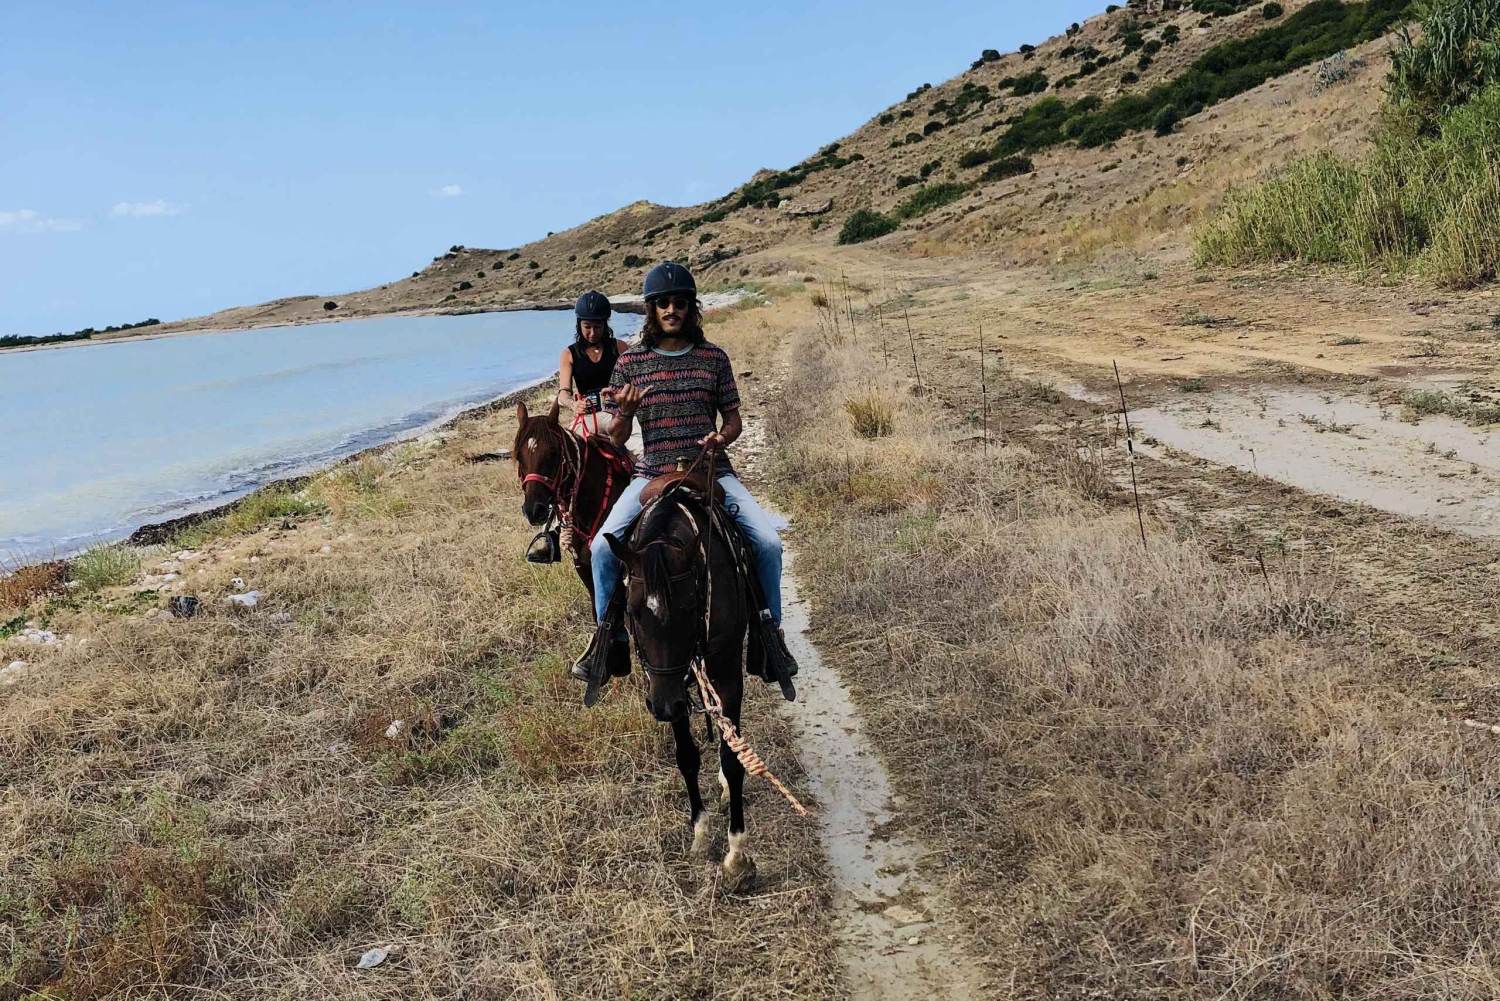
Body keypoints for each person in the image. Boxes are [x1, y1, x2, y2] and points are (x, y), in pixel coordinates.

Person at [575, 261, 794, 679]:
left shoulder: (714, 358)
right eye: (663, 304)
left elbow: (733, 420)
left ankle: (771, 635)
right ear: (651, 310)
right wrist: (625, 414)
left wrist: (721, 438)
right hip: (650, 470)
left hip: (712, 471)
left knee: (768, 544)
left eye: (679, 303)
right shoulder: (631, 364)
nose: (671, 309)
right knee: (602, 549)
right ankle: (608, 640)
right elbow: (617, 436)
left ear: (690, 308)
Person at [557, 290, 629, 438]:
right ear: (579, 325)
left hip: (618, 414)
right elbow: (563, 393)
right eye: (587, 327)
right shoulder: (568, 354)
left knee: (641, 450)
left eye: (598, 327)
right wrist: (573, 405)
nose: (592, 332)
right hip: (588, 417)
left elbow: (633, 383)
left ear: (605, 324)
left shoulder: (620, 347)